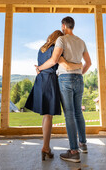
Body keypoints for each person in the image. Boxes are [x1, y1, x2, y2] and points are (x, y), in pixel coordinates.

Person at [36, 17, 91, 163]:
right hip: (79, 79)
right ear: (73, 26)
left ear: (63, 26)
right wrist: (79, 72)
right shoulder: (81, 41)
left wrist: (39, 68)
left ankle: (73, 151)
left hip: (65, 79)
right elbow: (89, 63)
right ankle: (83, 144)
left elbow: (54, 61)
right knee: (78, 112)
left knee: (70, 114)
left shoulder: (61, 40)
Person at [25, 30, 82, 161]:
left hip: (40, 81)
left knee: (46, 116)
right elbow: (58, 63)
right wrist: (78, 65)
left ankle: (46, 147)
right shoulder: (56, 49)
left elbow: (42, 65)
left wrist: (39, 68)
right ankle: (45, 147)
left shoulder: (41, 49)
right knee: (48, 116)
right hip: (50, 81)